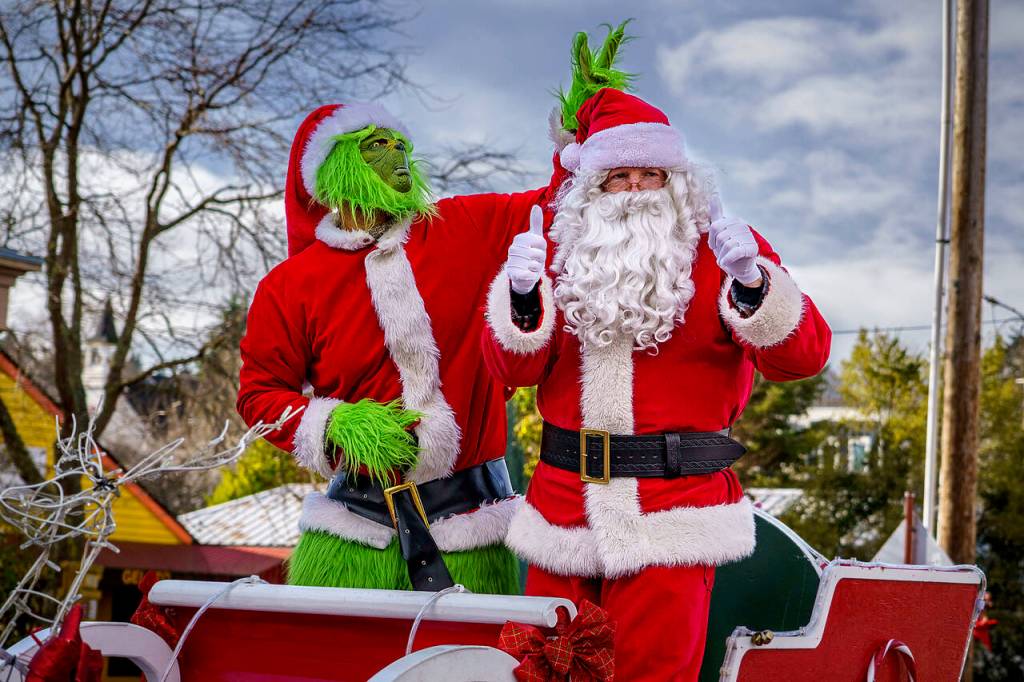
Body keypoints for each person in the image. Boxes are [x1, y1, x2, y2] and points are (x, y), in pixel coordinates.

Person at [236, 26, 632, 593]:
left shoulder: (461, 229)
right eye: (376, 146)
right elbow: (258, 396)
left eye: (400, 145)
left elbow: (554, 208)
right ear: (331, 169)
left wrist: (583, 131)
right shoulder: (289, 284)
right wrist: (337, 425)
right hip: (350, 533)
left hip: (472, 526)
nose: (398, 154)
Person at [481, 88, 832, 680]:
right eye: (621, 175)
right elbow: (510, 372)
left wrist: (751, 285)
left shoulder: (724, 251)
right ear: (593, 186)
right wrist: (519, 300)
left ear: (677, 181)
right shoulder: (553, 256)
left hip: (673, 520)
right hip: (562, 515)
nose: (639, 189)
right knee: (536, 671)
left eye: (653, 174)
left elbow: (803, 358)